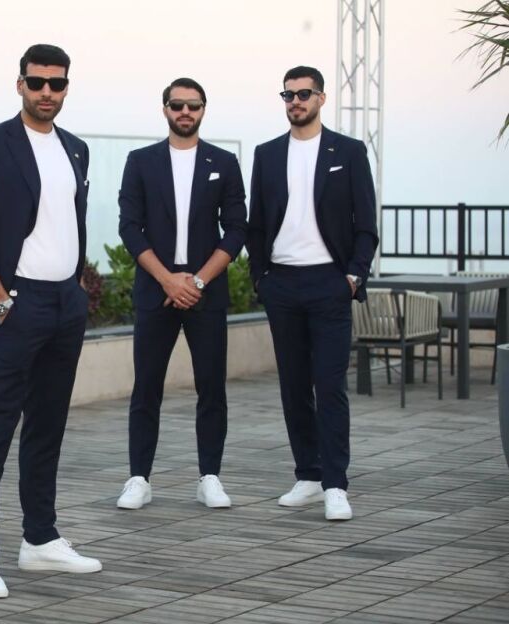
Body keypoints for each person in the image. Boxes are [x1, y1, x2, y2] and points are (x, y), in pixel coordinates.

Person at [0, 43, 101, 599]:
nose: (46, 92)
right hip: (15, 303)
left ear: (66, 88)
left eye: (56, 84)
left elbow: (69, 224)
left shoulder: (76, 149)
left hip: (65, 303)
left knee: (48, 426)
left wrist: (77, 290)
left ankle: (39, 538)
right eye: (36, 82)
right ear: (19, 84)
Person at [246, 65, 378, 521]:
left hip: (329, 283)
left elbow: (366, 225)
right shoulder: (266, 154)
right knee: (294, 385)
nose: (296, 102)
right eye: (288, 95)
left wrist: (353, 277)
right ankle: (308, 474)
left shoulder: (349, 151)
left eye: (304, 94)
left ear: (321, 98)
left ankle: (336, 484)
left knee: (330, 385)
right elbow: (257, 223)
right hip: (282, 282)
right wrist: (261, 278)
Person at [116, 77, 247, 511]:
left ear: (203, 110)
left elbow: (237, 229)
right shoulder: (140, 161)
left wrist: (197, 282)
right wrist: (168, 280)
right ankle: (139, 478)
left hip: (205, 294)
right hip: (156, 292)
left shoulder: (224, 162)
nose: (185, 112)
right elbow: (129, 227)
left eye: (193, 105)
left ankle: (210, 477)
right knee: (146, 388)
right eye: (177, 105)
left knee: (211, 388)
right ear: (165, 109)